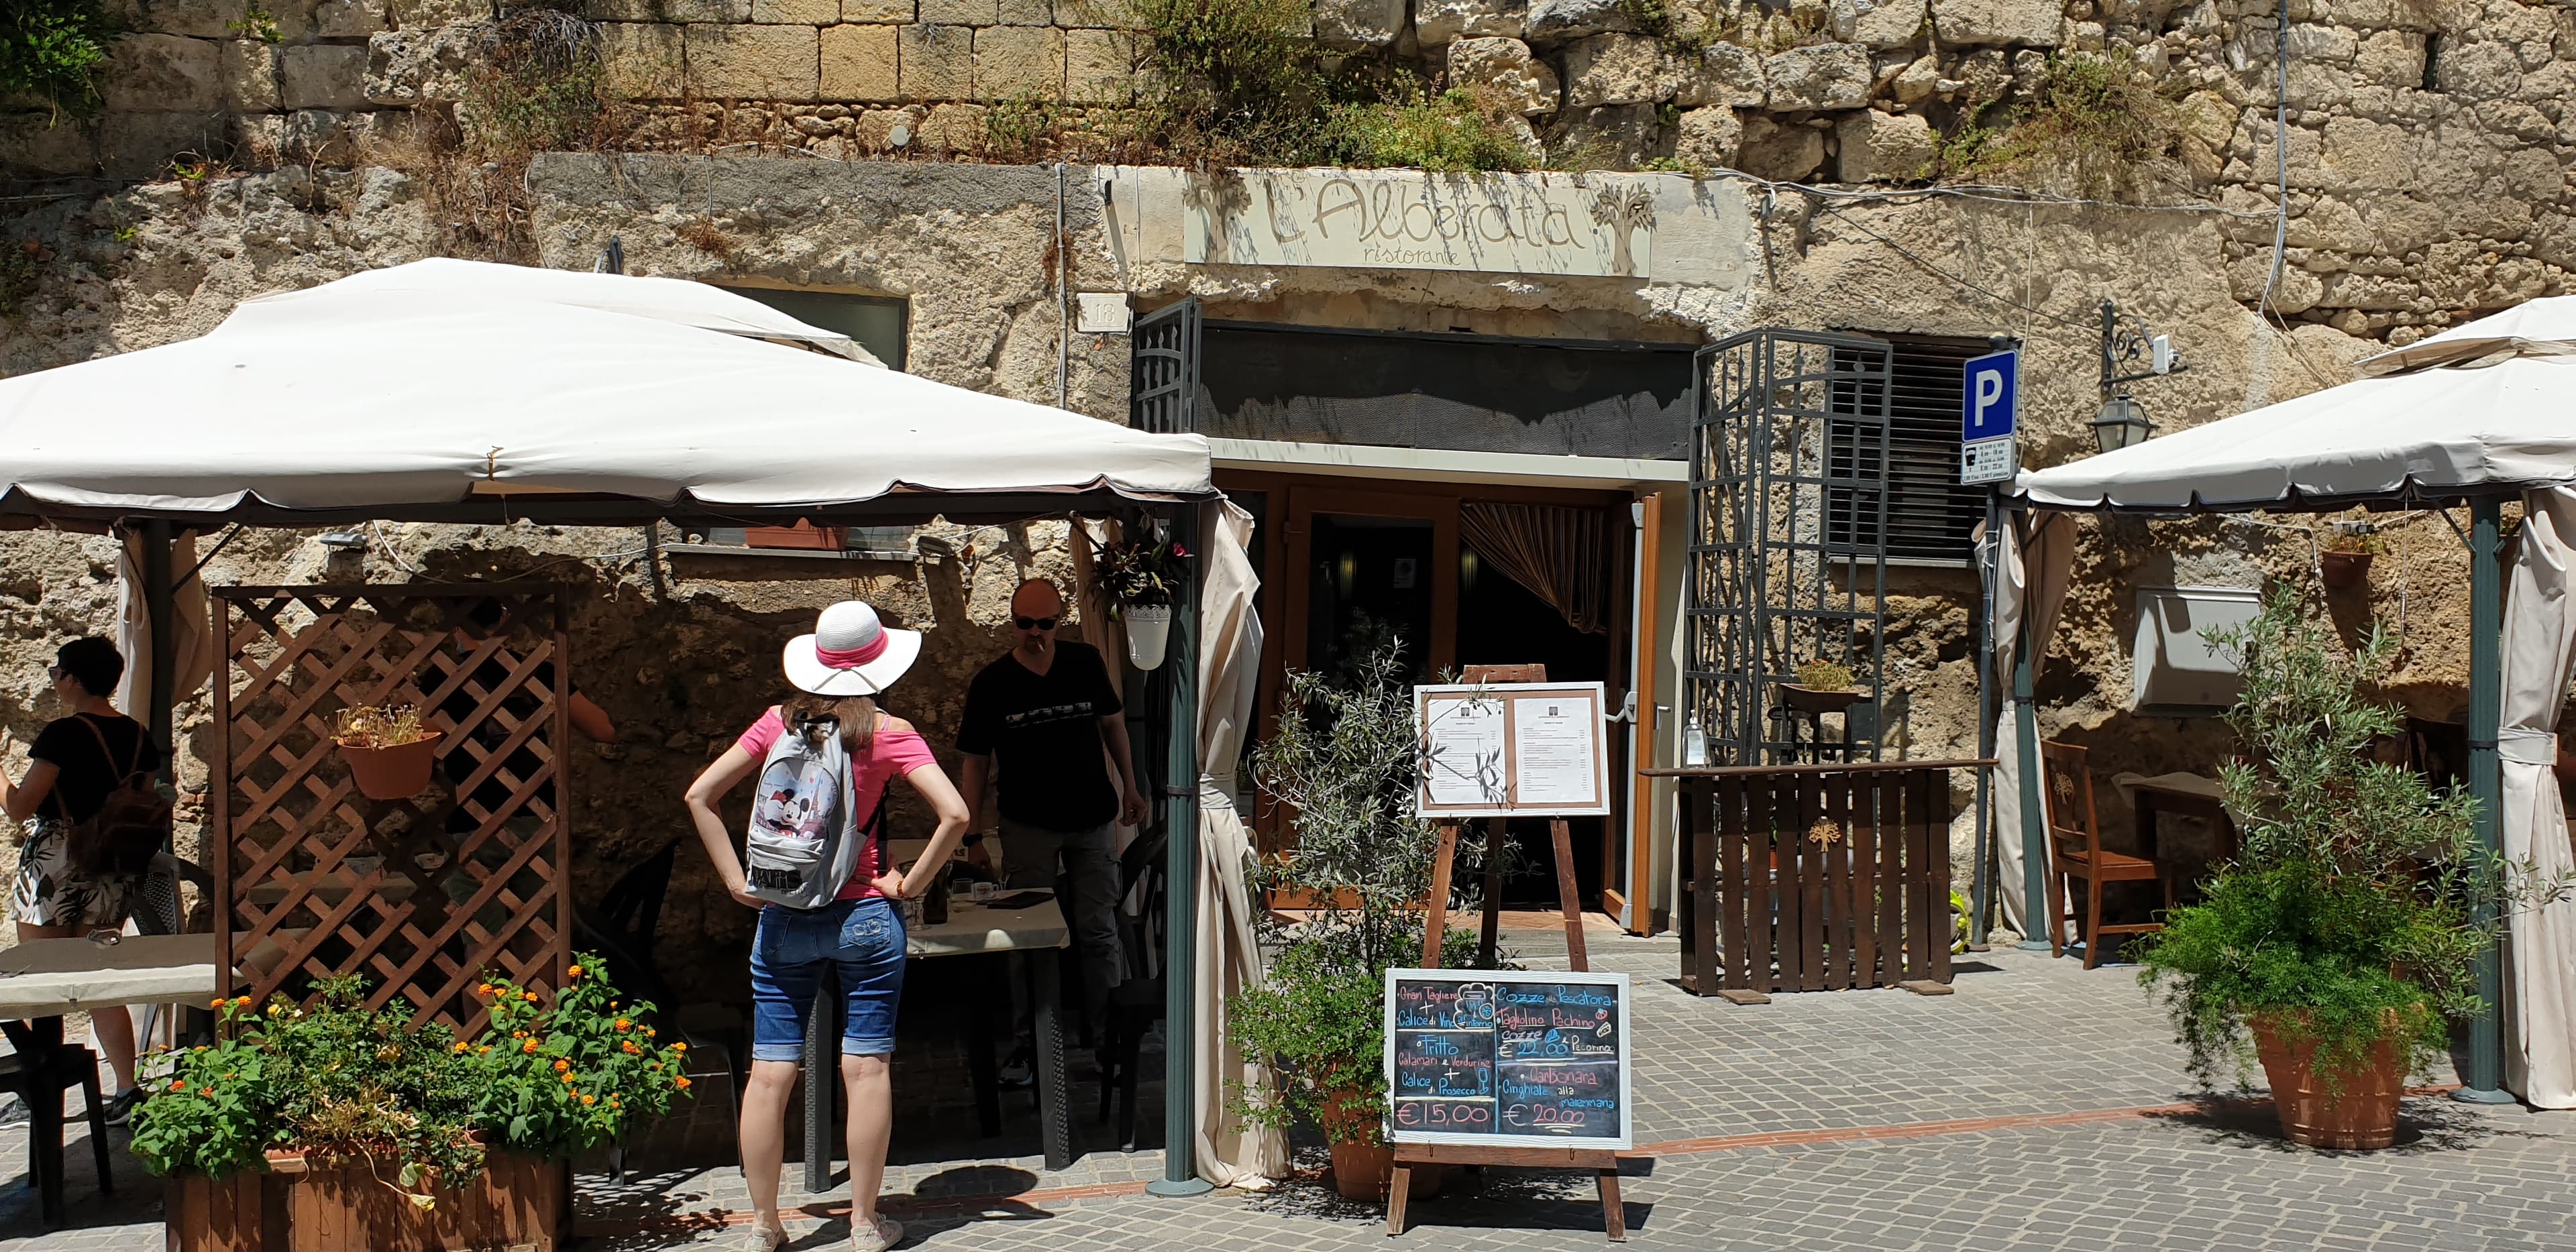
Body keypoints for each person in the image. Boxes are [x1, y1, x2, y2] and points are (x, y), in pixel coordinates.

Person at [683, 600, 967, 1252]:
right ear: (878, 667)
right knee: (865, 1069)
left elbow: (699, 794)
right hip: (866, 913)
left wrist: (736, 880)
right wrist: (910, 883)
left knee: (770, 1072)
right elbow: (956, 813)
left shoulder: (776, 724)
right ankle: (865, 1224)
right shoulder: (890, 733)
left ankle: (763, 1226)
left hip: (784, 915)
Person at [955, 579, 1146, 1066]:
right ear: (1012, 623)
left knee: (1098, 931)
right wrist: (971, 833)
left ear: (1060, 621)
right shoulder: (992, 683)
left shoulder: (1084, 663)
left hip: (1091, 819)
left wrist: (1131, 784)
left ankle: (1107, 1041)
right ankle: (1032, 1045)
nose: (1034, 633)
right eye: (1024, 623)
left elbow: (1112, 724)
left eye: (1045, 623)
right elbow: (974, 762)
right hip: (1027, 826)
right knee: (1026, 937)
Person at [0, 637, 162, 1125]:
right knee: (100, 979)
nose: (54, 679)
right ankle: (126, 1088)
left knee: (42, 978)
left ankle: (41, 1088)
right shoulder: (138, 736)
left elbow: (19, 806)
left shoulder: (62, 734)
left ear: (73, 679)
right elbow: (141, 800)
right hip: (112, 866)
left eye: (56, 671)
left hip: (57, 863)